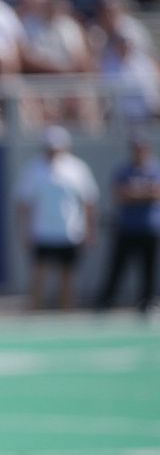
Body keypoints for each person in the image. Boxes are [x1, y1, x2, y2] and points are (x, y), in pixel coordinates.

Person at [15, 126, 99, 311]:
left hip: (69, 232)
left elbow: (88, 202)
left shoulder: (77, 168)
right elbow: (24, 204)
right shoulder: (34, 169)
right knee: (38, 275)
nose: (52, 151)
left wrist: (89, 230)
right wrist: (25, 231)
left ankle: (66, 315)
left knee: (67, 276)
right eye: (49, 147)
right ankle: (35, 315)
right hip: (42, 231)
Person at [95, 129, 160, 317]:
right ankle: (105, 303)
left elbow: (156, 193)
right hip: (127, 227)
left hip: (149, 227)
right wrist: (143, 193)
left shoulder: (154, 169)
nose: (138, 151)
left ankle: (146, 303)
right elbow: (120, 195)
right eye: (135, 148)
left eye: (141, 147)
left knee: (148, 269)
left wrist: (135, 192)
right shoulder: (123, 170)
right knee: (117, 267)